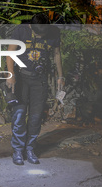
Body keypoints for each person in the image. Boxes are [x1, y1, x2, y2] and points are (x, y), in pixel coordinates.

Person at [4, 13, 64, 165]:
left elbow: (57, 54)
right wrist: (10, 75)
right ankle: (18, 150)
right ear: (30, 26)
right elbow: (10, 53)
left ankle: (30, 148)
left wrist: (60, 76)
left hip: (40, 80)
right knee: (19, 115)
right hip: (21, 78)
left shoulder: (54, 32)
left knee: (36, 117)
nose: (41, 36)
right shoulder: (21, 31)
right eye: (38, 34)